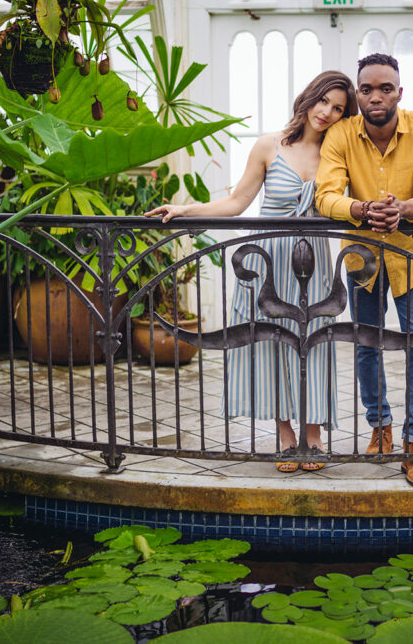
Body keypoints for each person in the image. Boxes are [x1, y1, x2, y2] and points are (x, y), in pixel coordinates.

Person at [145, 71, 357, 473]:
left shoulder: (338, 152)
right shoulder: (268, 146)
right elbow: (238, 202)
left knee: (317, 339)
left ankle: (314, 432)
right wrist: (185, 210)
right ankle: (285, 435)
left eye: (338, 108)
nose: (327, 112)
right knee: (271, 343)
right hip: (268, 263)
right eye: (323, 101)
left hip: (315, 261)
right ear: (308, 98)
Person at [315, 53, 413, 488]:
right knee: (366, 345)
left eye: (385, 88)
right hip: (362, 258)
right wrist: (360, 208)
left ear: (399, 92)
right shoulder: (340, 134)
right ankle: (381, 429)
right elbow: (326, 195)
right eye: (367, 89)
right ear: (358, 93)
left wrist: (406, 210)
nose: (376, 96)